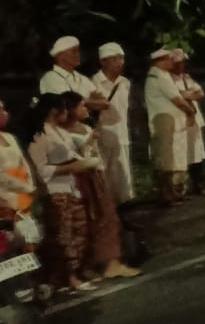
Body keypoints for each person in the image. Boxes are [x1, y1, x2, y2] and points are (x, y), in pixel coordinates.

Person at [59, 93, 140, 279]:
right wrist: (88, 143)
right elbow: (72, 157)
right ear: (70, 110)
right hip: (81, 178)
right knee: (88, 220)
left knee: (107, 216)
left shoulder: (85, 127)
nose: (86, 109)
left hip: (96, 174)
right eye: (81, 106)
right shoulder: (64, 134)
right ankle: (95, 264)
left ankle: (111, 262)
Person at [25, 93, 96, 292]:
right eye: (64, 108)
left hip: (72, 187)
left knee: (79, 230)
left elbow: (74, 155)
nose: (67, 112)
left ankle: (71, 273)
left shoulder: (61, 132)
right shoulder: (40, 135)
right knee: (64, 235)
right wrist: (70, 168)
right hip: (55, 191)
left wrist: (85, 158)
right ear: (54, 111)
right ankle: (69, 276)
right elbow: (41, 170)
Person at [144, 49, 196, 205]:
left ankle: (172, 192)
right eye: (170, 59)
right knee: (165, 158)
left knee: (170, 157)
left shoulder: (162, 75)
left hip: (168, 119)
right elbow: (177, 99)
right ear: (161, 60)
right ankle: (166, 195)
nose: (173, 62)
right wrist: (190, 112)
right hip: (163, 119)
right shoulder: (159, 77)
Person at [91, 42, 135, 205]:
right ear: (103, 61)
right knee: (105, 173)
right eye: (115, 59)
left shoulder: (125, 82)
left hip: (121, 133)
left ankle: (124, 205)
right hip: (103, 134)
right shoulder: (93, 83)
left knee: (122, 173)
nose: (120, 62)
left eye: (121, 58)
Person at [0, 99, 40, 252]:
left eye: (4, 110)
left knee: (30, 240)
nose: (5, 114)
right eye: (1, 110)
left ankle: (29, 267)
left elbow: (24, 163)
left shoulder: (10, 137)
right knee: (6, 245)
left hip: (22, 198)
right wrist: (27, 188)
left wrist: (30, 186)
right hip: (4, 199)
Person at [39, 36, 110, 115]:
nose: (78, 54)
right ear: (60, 56)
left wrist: (83, 102)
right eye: (74, 51)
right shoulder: (50, 78)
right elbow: (67, 104)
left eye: (78, 51)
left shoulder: (82, 78)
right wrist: (88, 101)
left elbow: (104, 102)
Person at [170, 50, 205, 195]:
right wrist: (187, 95)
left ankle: (198, 184)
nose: (181, 65)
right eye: (178, 62)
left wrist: (186, 95)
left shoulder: (187, 78)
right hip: (180, 121)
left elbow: (200, 93)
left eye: (182, 62)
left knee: (196, 152)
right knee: (181, 154)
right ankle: (180, 189)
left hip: (194, 119)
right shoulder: (168, 80)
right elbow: (175, 98)